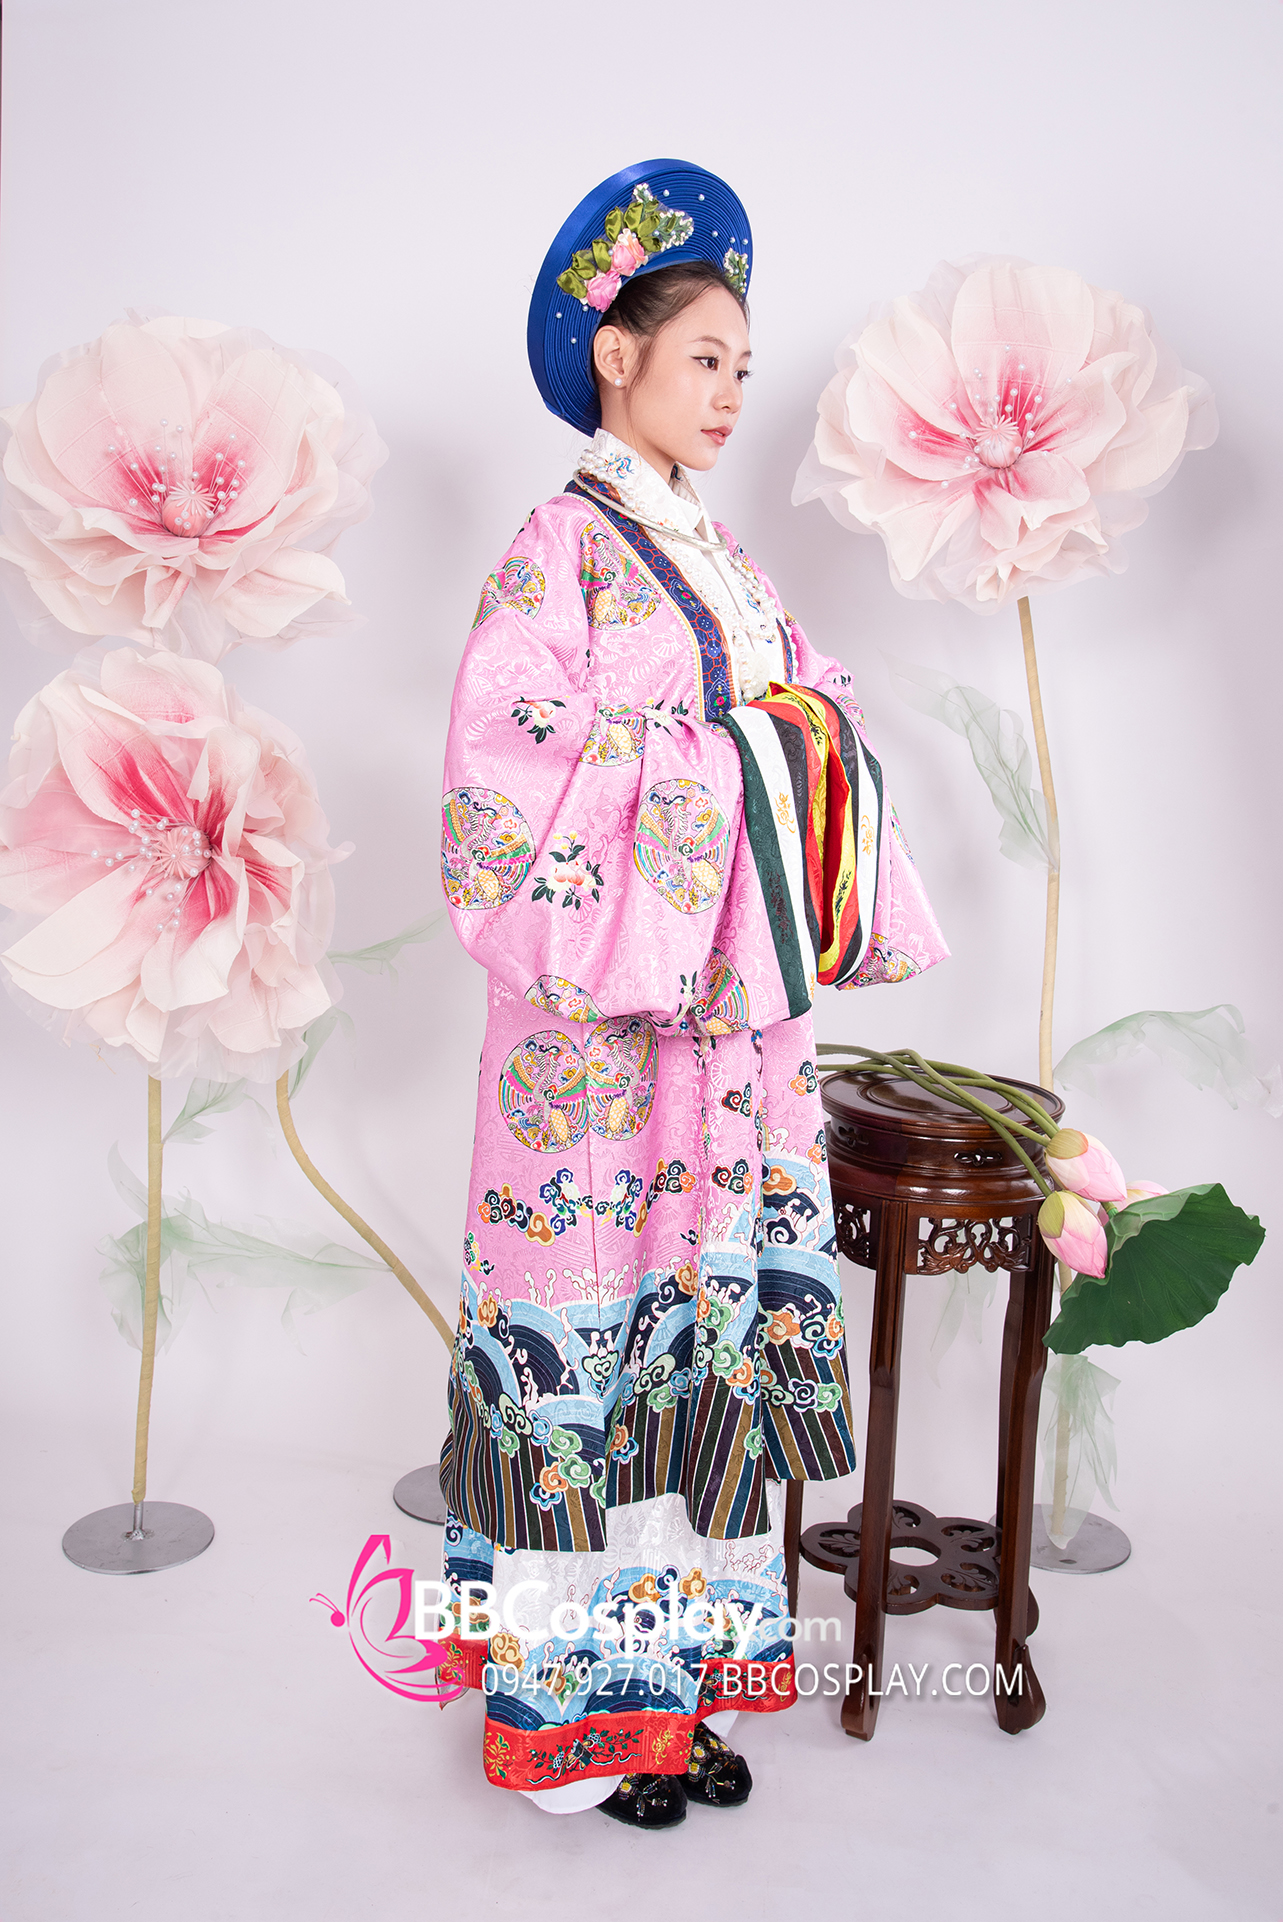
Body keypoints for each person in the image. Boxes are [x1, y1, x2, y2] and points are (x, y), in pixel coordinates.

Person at [436, 160, 947, 1828]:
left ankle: (687, 1697)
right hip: (595, 1057)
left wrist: (777, 744)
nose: (732, 390)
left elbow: (817, 713)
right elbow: (507, 779)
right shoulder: (557, 550)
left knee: (704, 1341)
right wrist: (728, 758)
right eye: (706, 357)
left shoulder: (722, 556)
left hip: (727, 1049)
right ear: (618, 356)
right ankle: (583, 1722)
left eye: (743, 363)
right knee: (601, 1341)